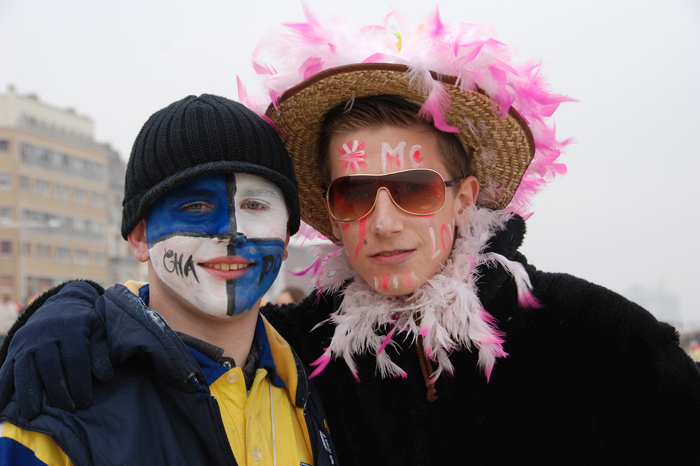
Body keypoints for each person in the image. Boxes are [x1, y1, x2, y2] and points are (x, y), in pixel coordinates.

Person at [3, 10, 700, 465]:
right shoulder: (302, 349)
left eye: (416, 189)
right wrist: (65, 311)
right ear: (332, 215)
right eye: (356, 192)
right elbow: (176, 326)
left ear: (463, 199)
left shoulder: (601, 342)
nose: (386, 220)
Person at [0, 94, 338, 465]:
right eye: (196, 206)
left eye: (255, 206)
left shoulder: (318, 382)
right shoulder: (54, 406)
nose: (232, 233)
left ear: (287, 238)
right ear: (140, 236)